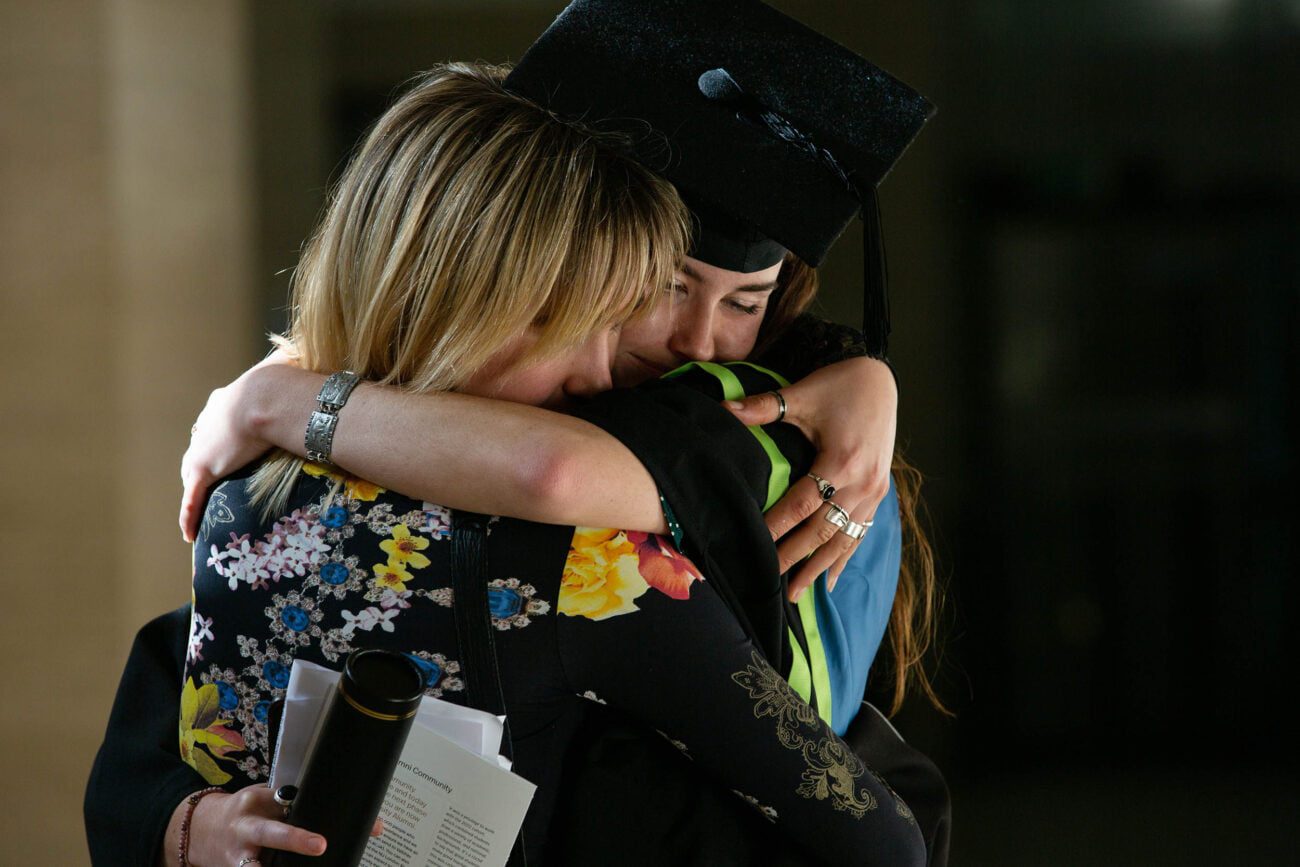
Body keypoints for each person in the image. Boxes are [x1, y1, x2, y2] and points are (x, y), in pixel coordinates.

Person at [85, 60, 926, 867]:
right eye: (653, 294)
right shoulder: (592, 561)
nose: (689, 346)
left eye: (746, 302)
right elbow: (882, 839)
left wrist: (270, 402)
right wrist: (186, 823)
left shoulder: (250, 484)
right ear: (471, 294)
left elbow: (547, 472)